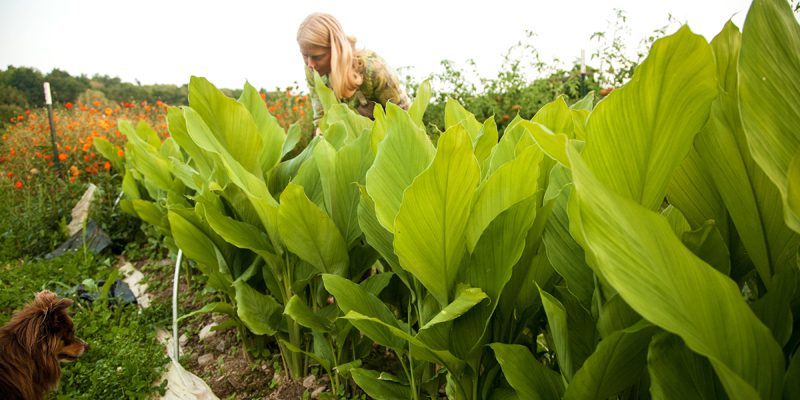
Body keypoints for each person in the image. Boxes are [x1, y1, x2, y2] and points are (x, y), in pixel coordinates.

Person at [296, 13, 411, 133]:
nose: (310, 64)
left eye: (317, 57)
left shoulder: (374, 70)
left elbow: (403, 116)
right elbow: (321, 119)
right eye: (305, 55)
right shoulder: (313, 72)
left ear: (336, 49)